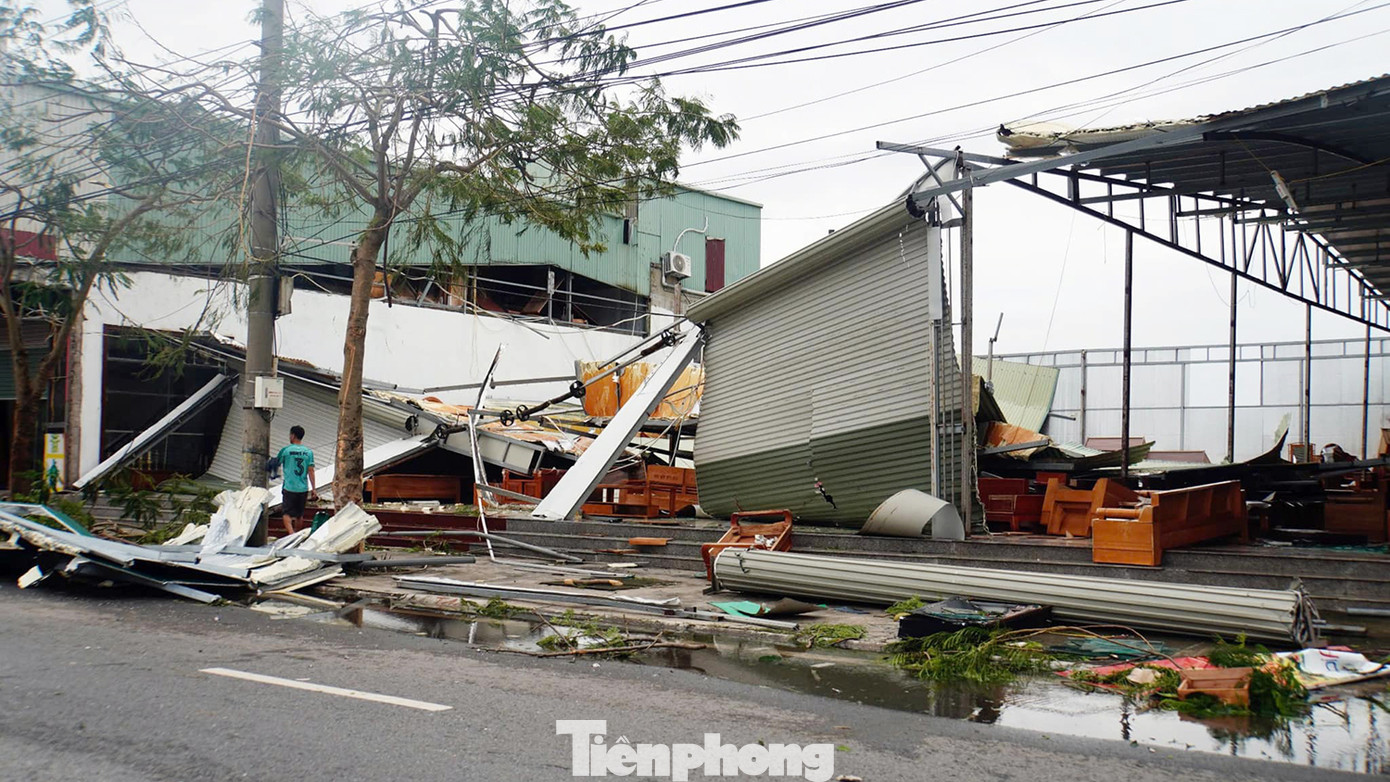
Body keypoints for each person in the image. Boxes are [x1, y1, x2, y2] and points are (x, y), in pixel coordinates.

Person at [276, 425, 317, 536]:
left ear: (293, 435)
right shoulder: (308, 452)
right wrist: (314, 489)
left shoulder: (286, 450)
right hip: (303, 488)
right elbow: (311, 471)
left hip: (289, 487)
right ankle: (297, 535)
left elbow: (276, 463)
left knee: (286, 514)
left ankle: (291, 535)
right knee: (299, 515)